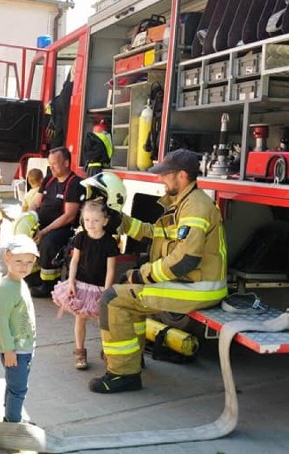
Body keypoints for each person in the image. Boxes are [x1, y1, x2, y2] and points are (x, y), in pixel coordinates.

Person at [88, 149, 227, 394]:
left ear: (182, 176)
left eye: (165, 174)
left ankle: (122, 374)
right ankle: (134, 360)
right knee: (126, 290)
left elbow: (185, 260)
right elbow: (157, 233)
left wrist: (142, 275)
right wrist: (122, 221)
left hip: (197, 288)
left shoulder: (195, 207)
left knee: (113, 300)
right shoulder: (186, 202)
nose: (161, 179)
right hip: (193, 283)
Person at [51, 199, 119, 370]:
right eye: (87, 220)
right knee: (80, 319)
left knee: (103, 322)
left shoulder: (110, 242)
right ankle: (80, 351)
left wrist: (106, 290)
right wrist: (71, 282)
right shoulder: (80, 238)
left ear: (105, 221)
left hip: (100, 288)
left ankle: (107, 351)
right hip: (81, 285)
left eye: (96, 220)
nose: (91, 224)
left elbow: (111, 269)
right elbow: (74, 261)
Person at [0, 235, 38, 423]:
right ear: (7, 257)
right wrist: (9, 350)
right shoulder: (6, 288)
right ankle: (13, 423)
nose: (24, 266)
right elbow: (1, 320)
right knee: (18, 388)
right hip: (15, 350)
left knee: (15, 386)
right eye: (19, 261)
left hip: (24, 347)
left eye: (29, 262)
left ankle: (11, 416)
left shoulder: (20, 282)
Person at [31, 147, 84, 297]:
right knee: (26, 237)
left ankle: (48, 285)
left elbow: (69, 216)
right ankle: (33, 277)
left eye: (55, 163)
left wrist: (44, 231)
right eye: (50, 163)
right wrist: (28, 218)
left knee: (48, 243)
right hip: (42, 224)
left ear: (66, 163)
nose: (51, 167)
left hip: (63, 228)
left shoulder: (74, 184)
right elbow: (36, 203)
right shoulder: (48, 179)